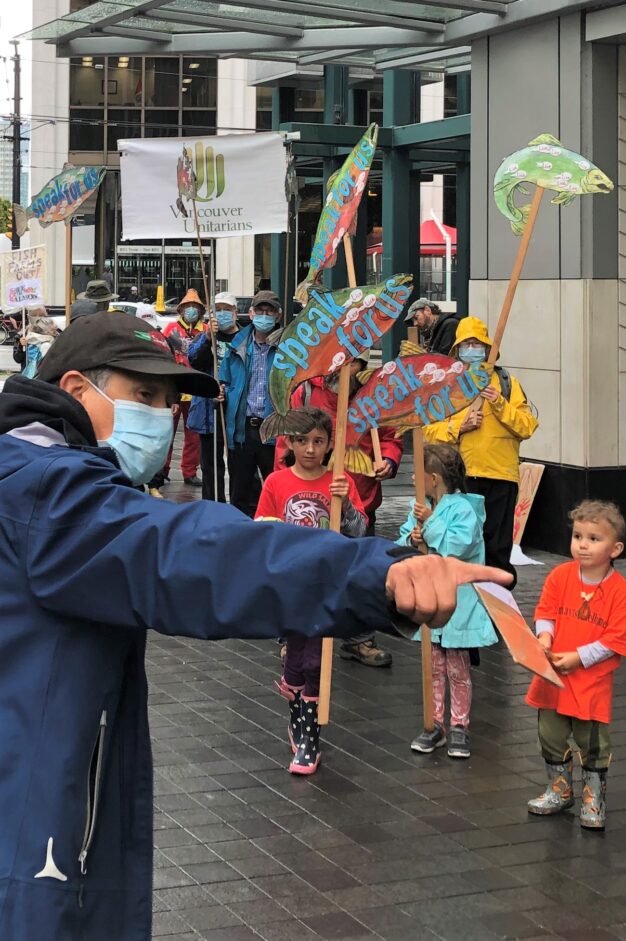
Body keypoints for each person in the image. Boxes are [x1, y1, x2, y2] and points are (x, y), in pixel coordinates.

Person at [0, 309, 510, 940]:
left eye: (167, 402)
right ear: (77, 391)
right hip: (28, 844)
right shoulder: (45, 491)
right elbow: (191, 554)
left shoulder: (30, 476)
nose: (160, 418)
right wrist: (372, 575)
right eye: (143, 396)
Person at [256, 406, 368, 775]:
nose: (309, 449)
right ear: (289, 442)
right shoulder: (276, 483)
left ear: (328, 445)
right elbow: (263, 530)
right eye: (302, 441)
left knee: (317, 661)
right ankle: (296, 711)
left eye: (318, 441)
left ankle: (310, 736)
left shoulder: (340, 482)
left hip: (327, 584)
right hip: (291, 584)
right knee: (294, 659)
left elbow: (359, 531)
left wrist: (346, 503)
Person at [274, 358, 403, 668]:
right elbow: (287, 438)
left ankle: (359, 639)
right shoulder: (305, 390)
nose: (343, 366)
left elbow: (390, 436)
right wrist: (284, 481)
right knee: (302, 573)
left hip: (358, 496)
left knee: (360, 575)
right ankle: (295, 637)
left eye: (352, 360)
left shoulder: (375, 393)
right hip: (308, 501)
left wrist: (388, 460)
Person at [525, 500, 626, 830]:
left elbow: (616, 638)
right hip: (554, 675)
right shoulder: (560, 576)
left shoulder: (621, 591)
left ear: (615, 549)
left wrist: (579, 657)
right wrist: (544, 640)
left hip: (591, 681)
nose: (582, 545)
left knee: (593, 742)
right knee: (550, 734)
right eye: (577, 536)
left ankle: (593, 795)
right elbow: (545, 612)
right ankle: (560, 790)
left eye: (593, 539)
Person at [397, 444, 497, 759]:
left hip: (456, 604)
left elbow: (459, 545)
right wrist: (410, 540)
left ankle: (459, 726)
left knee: (457, 666)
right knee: (433, 666)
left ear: (435, 478)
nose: (413, 478)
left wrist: (431, 524)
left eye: (418, 474)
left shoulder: (463, 509)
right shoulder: (420, 505)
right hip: (430, 601)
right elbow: (403, 540)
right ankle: (434, 723)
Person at [424, 316, 538, 586]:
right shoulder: (447, 385)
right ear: (457, 350)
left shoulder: (507, 383)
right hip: (458, 477)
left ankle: (499, 607)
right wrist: (458, 427)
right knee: (460, 546)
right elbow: (427, 430)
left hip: (500, 476)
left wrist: (499, 403)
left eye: (477, 343)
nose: (472, 348)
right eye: (466, 343)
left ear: (488, 349)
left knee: (497, 550)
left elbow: (526, 426)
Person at [221, 289, 282, 518]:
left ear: (278, 315)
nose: (264, 315)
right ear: (251, 313)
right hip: (243, 428)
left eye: (269, 311)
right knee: (240, 493)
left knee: (275, 490)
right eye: (260, 310)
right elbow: (225, 379)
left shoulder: (287, 346)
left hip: (274, 428)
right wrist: (222, 391)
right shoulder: (237, 345)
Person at [187, 291, 239, 502]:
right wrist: (208, 339)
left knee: (239, 466)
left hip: (236, 410)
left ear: (236, 313)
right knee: (211, 466)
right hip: (209, 412)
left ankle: (240, 508)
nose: (223, 314)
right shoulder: (205, 337)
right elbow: (194, 360)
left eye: (228, 309)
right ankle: (213, 506)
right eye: (219, 309)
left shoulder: (245, 339)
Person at [158, 289, 206, 489]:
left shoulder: (204, 331)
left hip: (194, 388)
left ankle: (189, 471)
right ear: (181, 309)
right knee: (166, 433)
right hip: (174, 388)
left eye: (195, 307)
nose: (191, 310)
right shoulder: (171, 329)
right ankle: (162, 469)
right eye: (188, 307)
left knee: (193, 435)